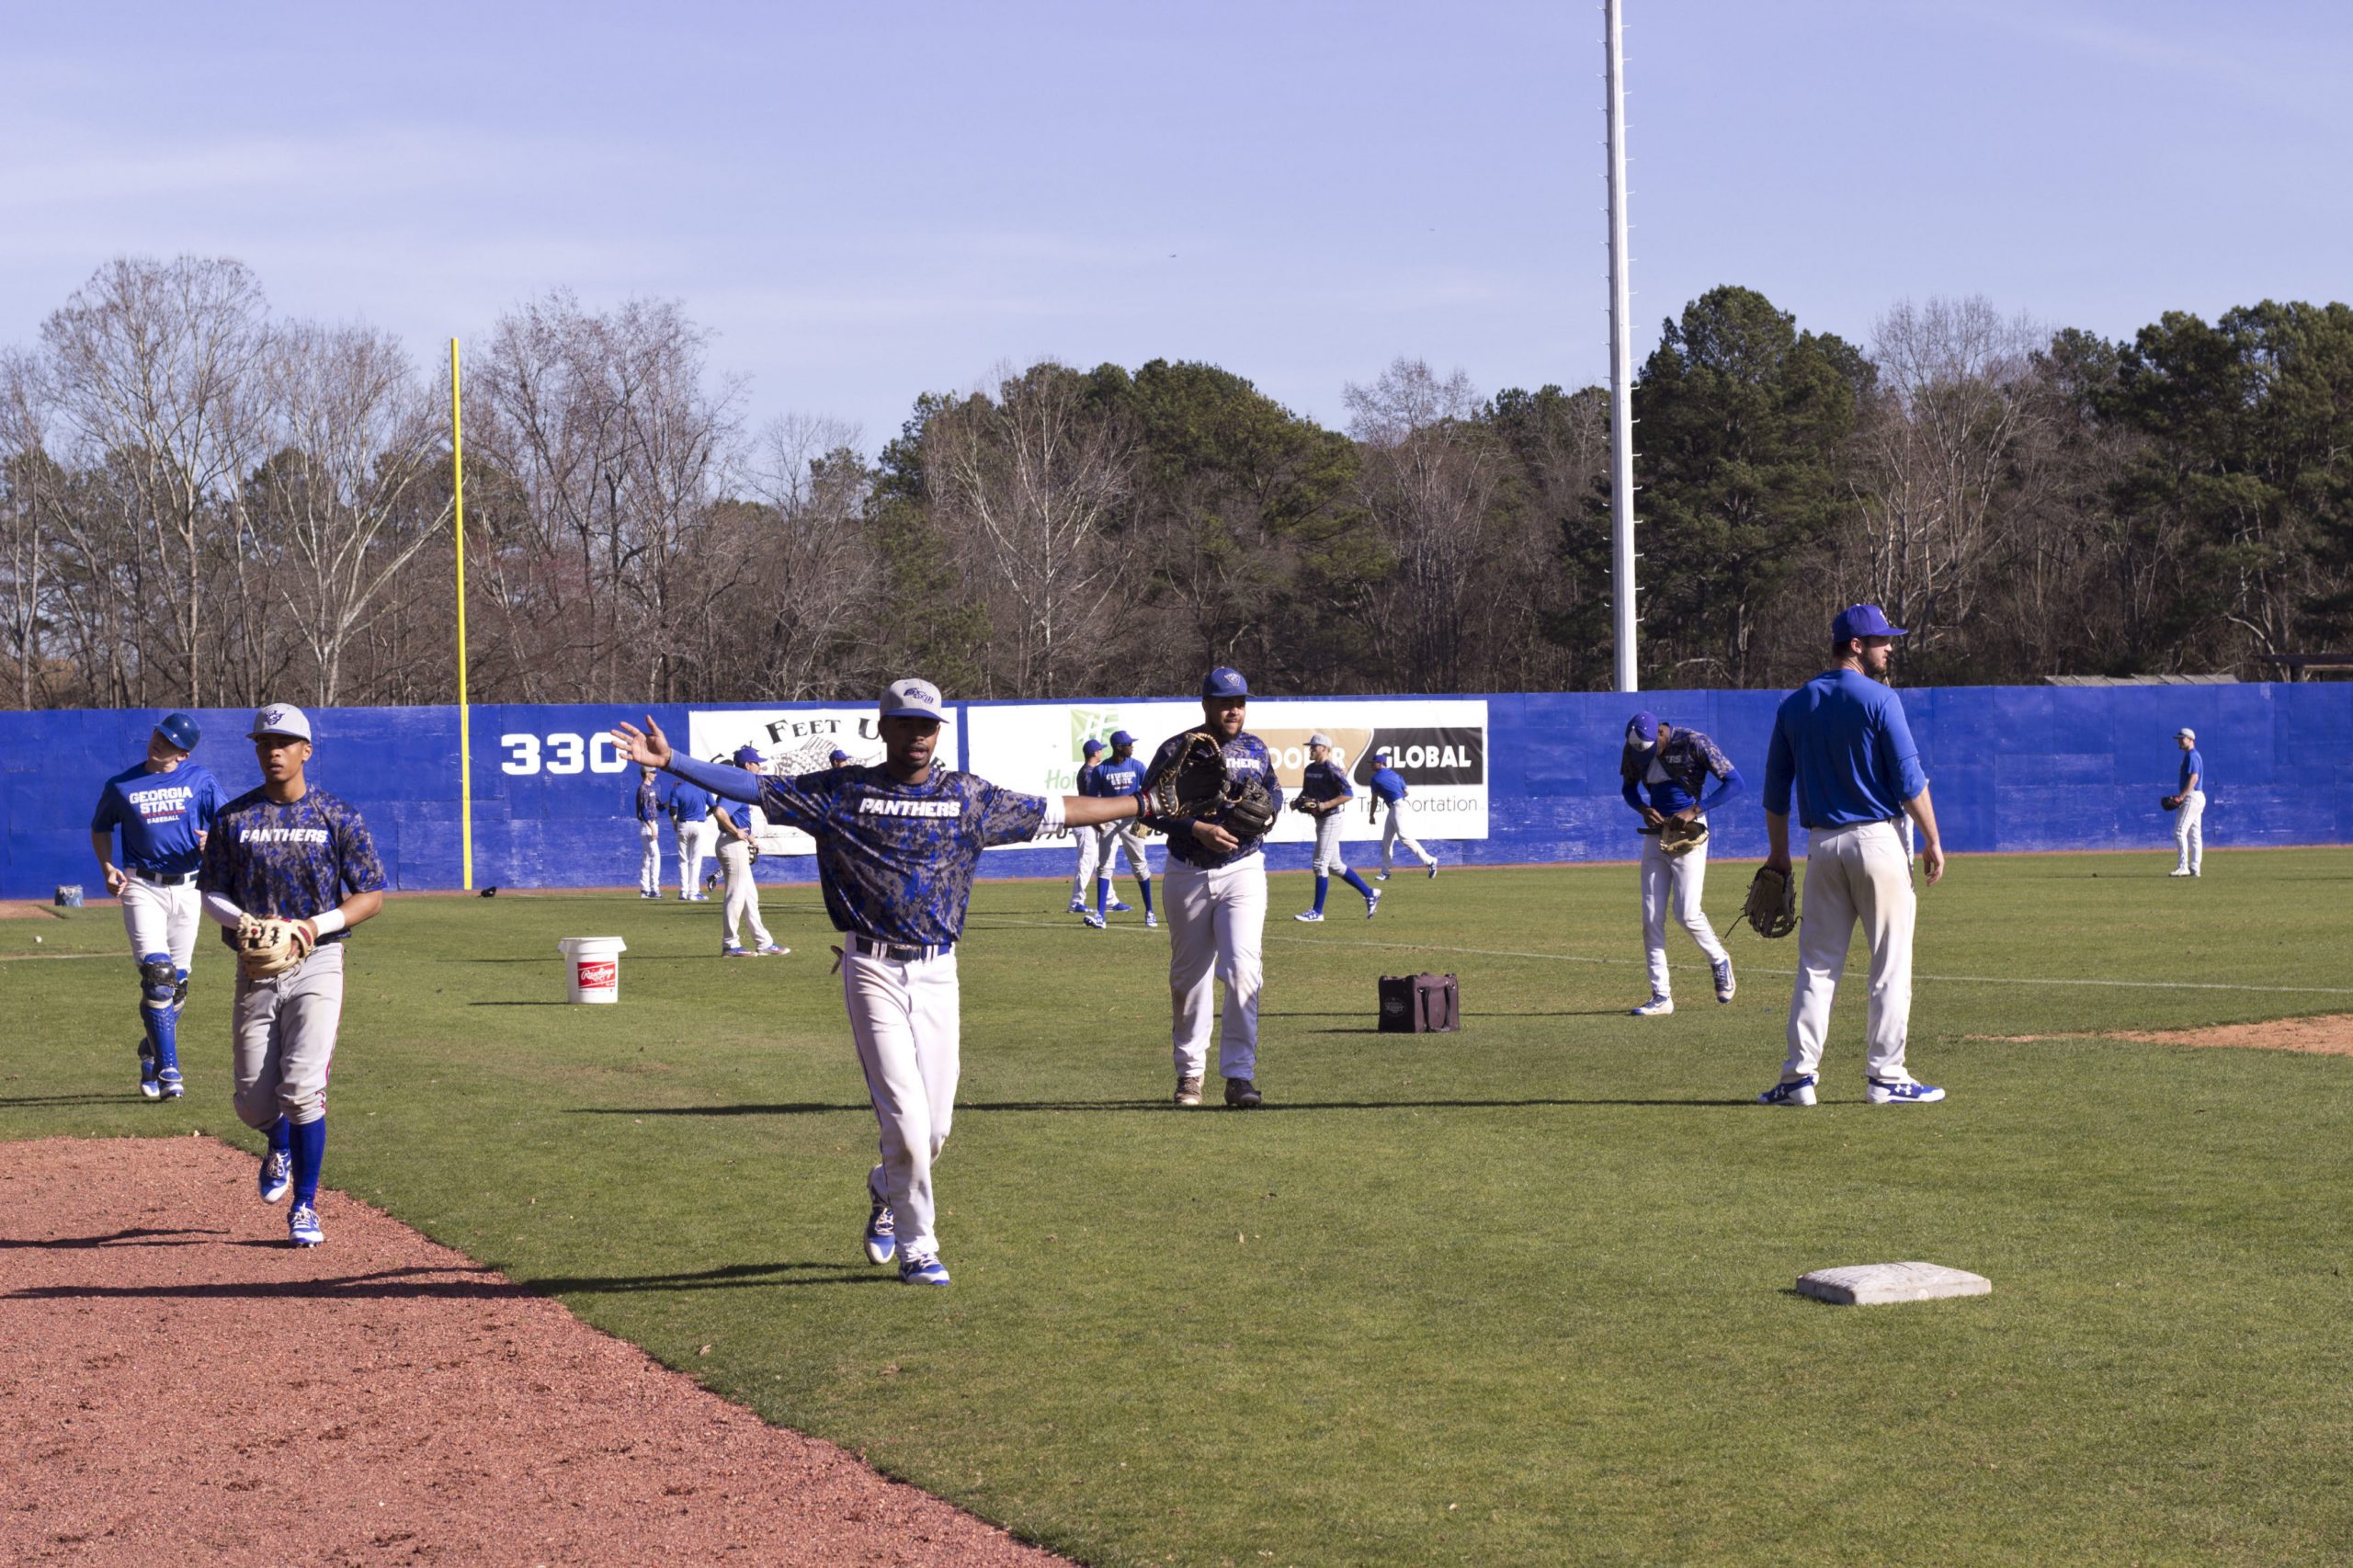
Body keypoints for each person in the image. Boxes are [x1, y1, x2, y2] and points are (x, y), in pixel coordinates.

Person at [610, 678, 1151, 1287]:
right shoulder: (845, 792)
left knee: (936, 1130)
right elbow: (758, 788)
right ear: (882, 726)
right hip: (871, 968)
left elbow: (1061, 810)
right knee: (905, 1123)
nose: (916, 735)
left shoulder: (968, 797)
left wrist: (1146, 806)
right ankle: (921, 1248)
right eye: (905, 723)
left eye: (927, 725)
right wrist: (673, 762)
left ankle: (884, 1187)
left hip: (939, 970)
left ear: (937, 732)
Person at [198, 704, 388, 1246]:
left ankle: (305, 1206)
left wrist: (311, 927)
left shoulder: (337, 815)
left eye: (283, 742)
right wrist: (245, 921)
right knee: (253, 1103)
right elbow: (210, 891)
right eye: (263, 743)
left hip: (318, 959)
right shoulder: (234, 818)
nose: (272, 751)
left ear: (307, 750)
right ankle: (276, 1141)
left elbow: (370, 895)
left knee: (302, 1087)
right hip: (256, 964)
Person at [1758, 605, 1948, 1108]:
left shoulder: (1795, 706)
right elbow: (1910, 781)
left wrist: (1779, 854)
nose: (1891, 647)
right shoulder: (1881, 699)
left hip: (1821, 847)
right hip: (1876, 843)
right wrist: (1932, 839)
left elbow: (1776, 793)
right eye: (1882, 640)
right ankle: (1886, 1077)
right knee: (1889, 964)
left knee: (1817, 967)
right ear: (1856, 646)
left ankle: (1798, 1078)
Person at [1143, 667, 1286, 1109]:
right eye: (1225, 702)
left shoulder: (1255, 748)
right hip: (1187, 869)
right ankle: (1190, 1075)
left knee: (1244, 968)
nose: (1234, 709)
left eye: (1240, 701)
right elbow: (1147, 807)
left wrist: (1265, 813)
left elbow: (1275, 795)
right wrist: (1195, 826)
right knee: (1190, 979)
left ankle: (1240, 1076)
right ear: (1205, 703)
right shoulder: (1177, 748)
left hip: (1243, 869)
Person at [90, 711, 225, 1101]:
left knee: (177, 987)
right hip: (141, 885)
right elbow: (101, 827)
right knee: (158, 974)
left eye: (169, 741)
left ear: (183, 754)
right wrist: (106, 867)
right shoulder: (122, 785)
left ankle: (150, 1052)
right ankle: (170, 1071)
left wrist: (212, 842)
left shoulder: (200, 781)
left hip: (188, 889)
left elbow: (226, 826)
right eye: (158, 734)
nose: (159, 742)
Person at [1620, 710, 1742, 1016]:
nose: (1643, 756)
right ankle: (1661, 996)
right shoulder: (1634, 746)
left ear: (1661, 734)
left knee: (1686, 913)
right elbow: (1628, 788)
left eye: (1649, 750)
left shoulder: (1694, 742)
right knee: (1650, 917)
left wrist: (1695, 809)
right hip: (1655, 834)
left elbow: (1735, 783)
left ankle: (1719, 960)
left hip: (1689, 833)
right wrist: (1642, 808)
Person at [1293, 733, 1380, 923]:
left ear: (1324, 749)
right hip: (1321, 820)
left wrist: (1325, 805)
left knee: (1319, 864)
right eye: (1311, 746)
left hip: (1332, 819)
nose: (1311, 749)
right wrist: (1297, 802)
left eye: (1314, 747)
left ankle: (1317, 912)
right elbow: (1306, 792)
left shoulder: (1332, 769)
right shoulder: (1309, 769)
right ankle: (1370, 893)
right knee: (1334, 866)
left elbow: (1348, 794)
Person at [713, 745, 787, 958]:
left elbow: (728, 814)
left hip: (735, 843)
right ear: (747, 765)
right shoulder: (738, 786)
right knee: (735, 895)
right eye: (757, 763)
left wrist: (747, 835)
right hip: (732, 844)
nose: (760, 767)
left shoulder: (739, 786)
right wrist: (736, 831)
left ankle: (764, 943)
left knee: (749, 897)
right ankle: (730, 944)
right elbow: (719, 812)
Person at [1091, 730, 1155, 928]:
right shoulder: (1101, 770)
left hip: (1131, 820)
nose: (1132, 747)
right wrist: (1096, 819)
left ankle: (1150, 911)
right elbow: (1092, 798)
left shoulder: (1137, 766)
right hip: (1110, 819)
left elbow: (1150, 792)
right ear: (1119, 748)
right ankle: (1100, 915)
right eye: (1128, 744)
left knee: (1139, 866)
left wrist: (1148, 818)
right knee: (1105, 866)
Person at [1365, 747, 1438, 881]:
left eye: (1373, 762)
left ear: (1381, 763)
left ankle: (1430, 861)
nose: (1371, 764)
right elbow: (1406, 793)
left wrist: (1371, 815)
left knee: (1404, 838)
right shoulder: (1396, 775)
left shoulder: (1376, 778)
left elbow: (1374, 799)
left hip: (1397, 808)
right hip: (1397, 806)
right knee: (1387, 841)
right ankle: (1385, 872)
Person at [1068, 738, 1108, 926]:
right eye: (1100, 750)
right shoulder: (1088, 772)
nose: (1102, 752)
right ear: (1095, 753)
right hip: (1085, 819)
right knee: (1087, 860)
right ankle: (1077, 902)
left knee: (1101, 861)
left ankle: (1110, 900)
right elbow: (1091, 799)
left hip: (1091, 818)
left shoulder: (1091, 771)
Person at [669, 773, 716, 900]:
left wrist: (675, 824)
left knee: (683, 860)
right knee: (695, 860)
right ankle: (693, 892)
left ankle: (683, 891)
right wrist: (704, 815)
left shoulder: (678, 789)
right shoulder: (704, 788)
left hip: (683, 824)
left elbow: (672, 811)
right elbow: (714, 808)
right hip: (698, 825)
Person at [2168, 727, 2206, 878]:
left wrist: (2181, 796)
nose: (2179, 741)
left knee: (2179, 831)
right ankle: (2195, 867)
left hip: (2192, 796)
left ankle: (2183, 866)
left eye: (2182, 738)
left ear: (2191, 739)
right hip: (2197, 796)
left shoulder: (2192, 755)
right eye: (2178, 738)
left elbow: (2194, 778)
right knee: (2195, 834)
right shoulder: (2192, 755)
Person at [631, 765, 666, 899]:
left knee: (647, 857)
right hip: (648, 825)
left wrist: (674, 799)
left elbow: (660, 807)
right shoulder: (643, 789)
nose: (655, 775)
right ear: (647, 774)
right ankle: (654, 889)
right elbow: (644, 811)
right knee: (655, 856)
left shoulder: (651, 789)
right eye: (653, 772)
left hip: (652, 824)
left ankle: (644, 889)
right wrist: (652, 828)